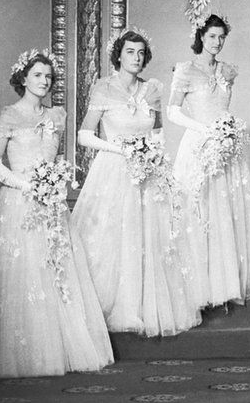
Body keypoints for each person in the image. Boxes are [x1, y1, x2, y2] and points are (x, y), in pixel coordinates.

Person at [0, 50, 113, 378]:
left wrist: (53, 184)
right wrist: (25, 185)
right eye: (37, 75)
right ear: (23, 78)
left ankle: (63, 349)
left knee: (58, 271)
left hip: (51, 202)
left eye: (48, 77)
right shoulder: (8, 115)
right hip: (19, 202)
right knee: (26, 272)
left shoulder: (57, 116)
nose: (44, 81)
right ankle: (26, 355)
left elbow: (55, 159)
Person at [71, 30, 201, 337]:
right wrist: (121, 148)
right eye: (130, 52)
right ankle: (110, 305)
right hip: (114, 170)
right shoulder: (103, 88)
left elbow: (156, 132)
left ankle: (146, 307)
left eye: (141, 53)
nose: (136, 58)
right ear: (118, 55)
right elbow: (84, 134)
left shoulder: (152, 89)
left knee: (149, 239)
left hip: (147, 172)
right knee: (113, 237)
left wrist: (153, 154)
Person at [169, 14, 250, 307]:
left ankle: (223, 285)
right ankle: (197, 287)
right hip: (198, 145)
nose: (217, 43)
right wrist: (203, 130)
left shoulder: (228, 71)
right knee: (199, 211)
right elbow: (172, 111)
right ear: (201, 37)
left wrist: (227, 130)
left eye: (222, 37)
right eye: (212, 37)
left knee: (225, 211)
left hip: (225, 147)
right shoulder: (185, 70)